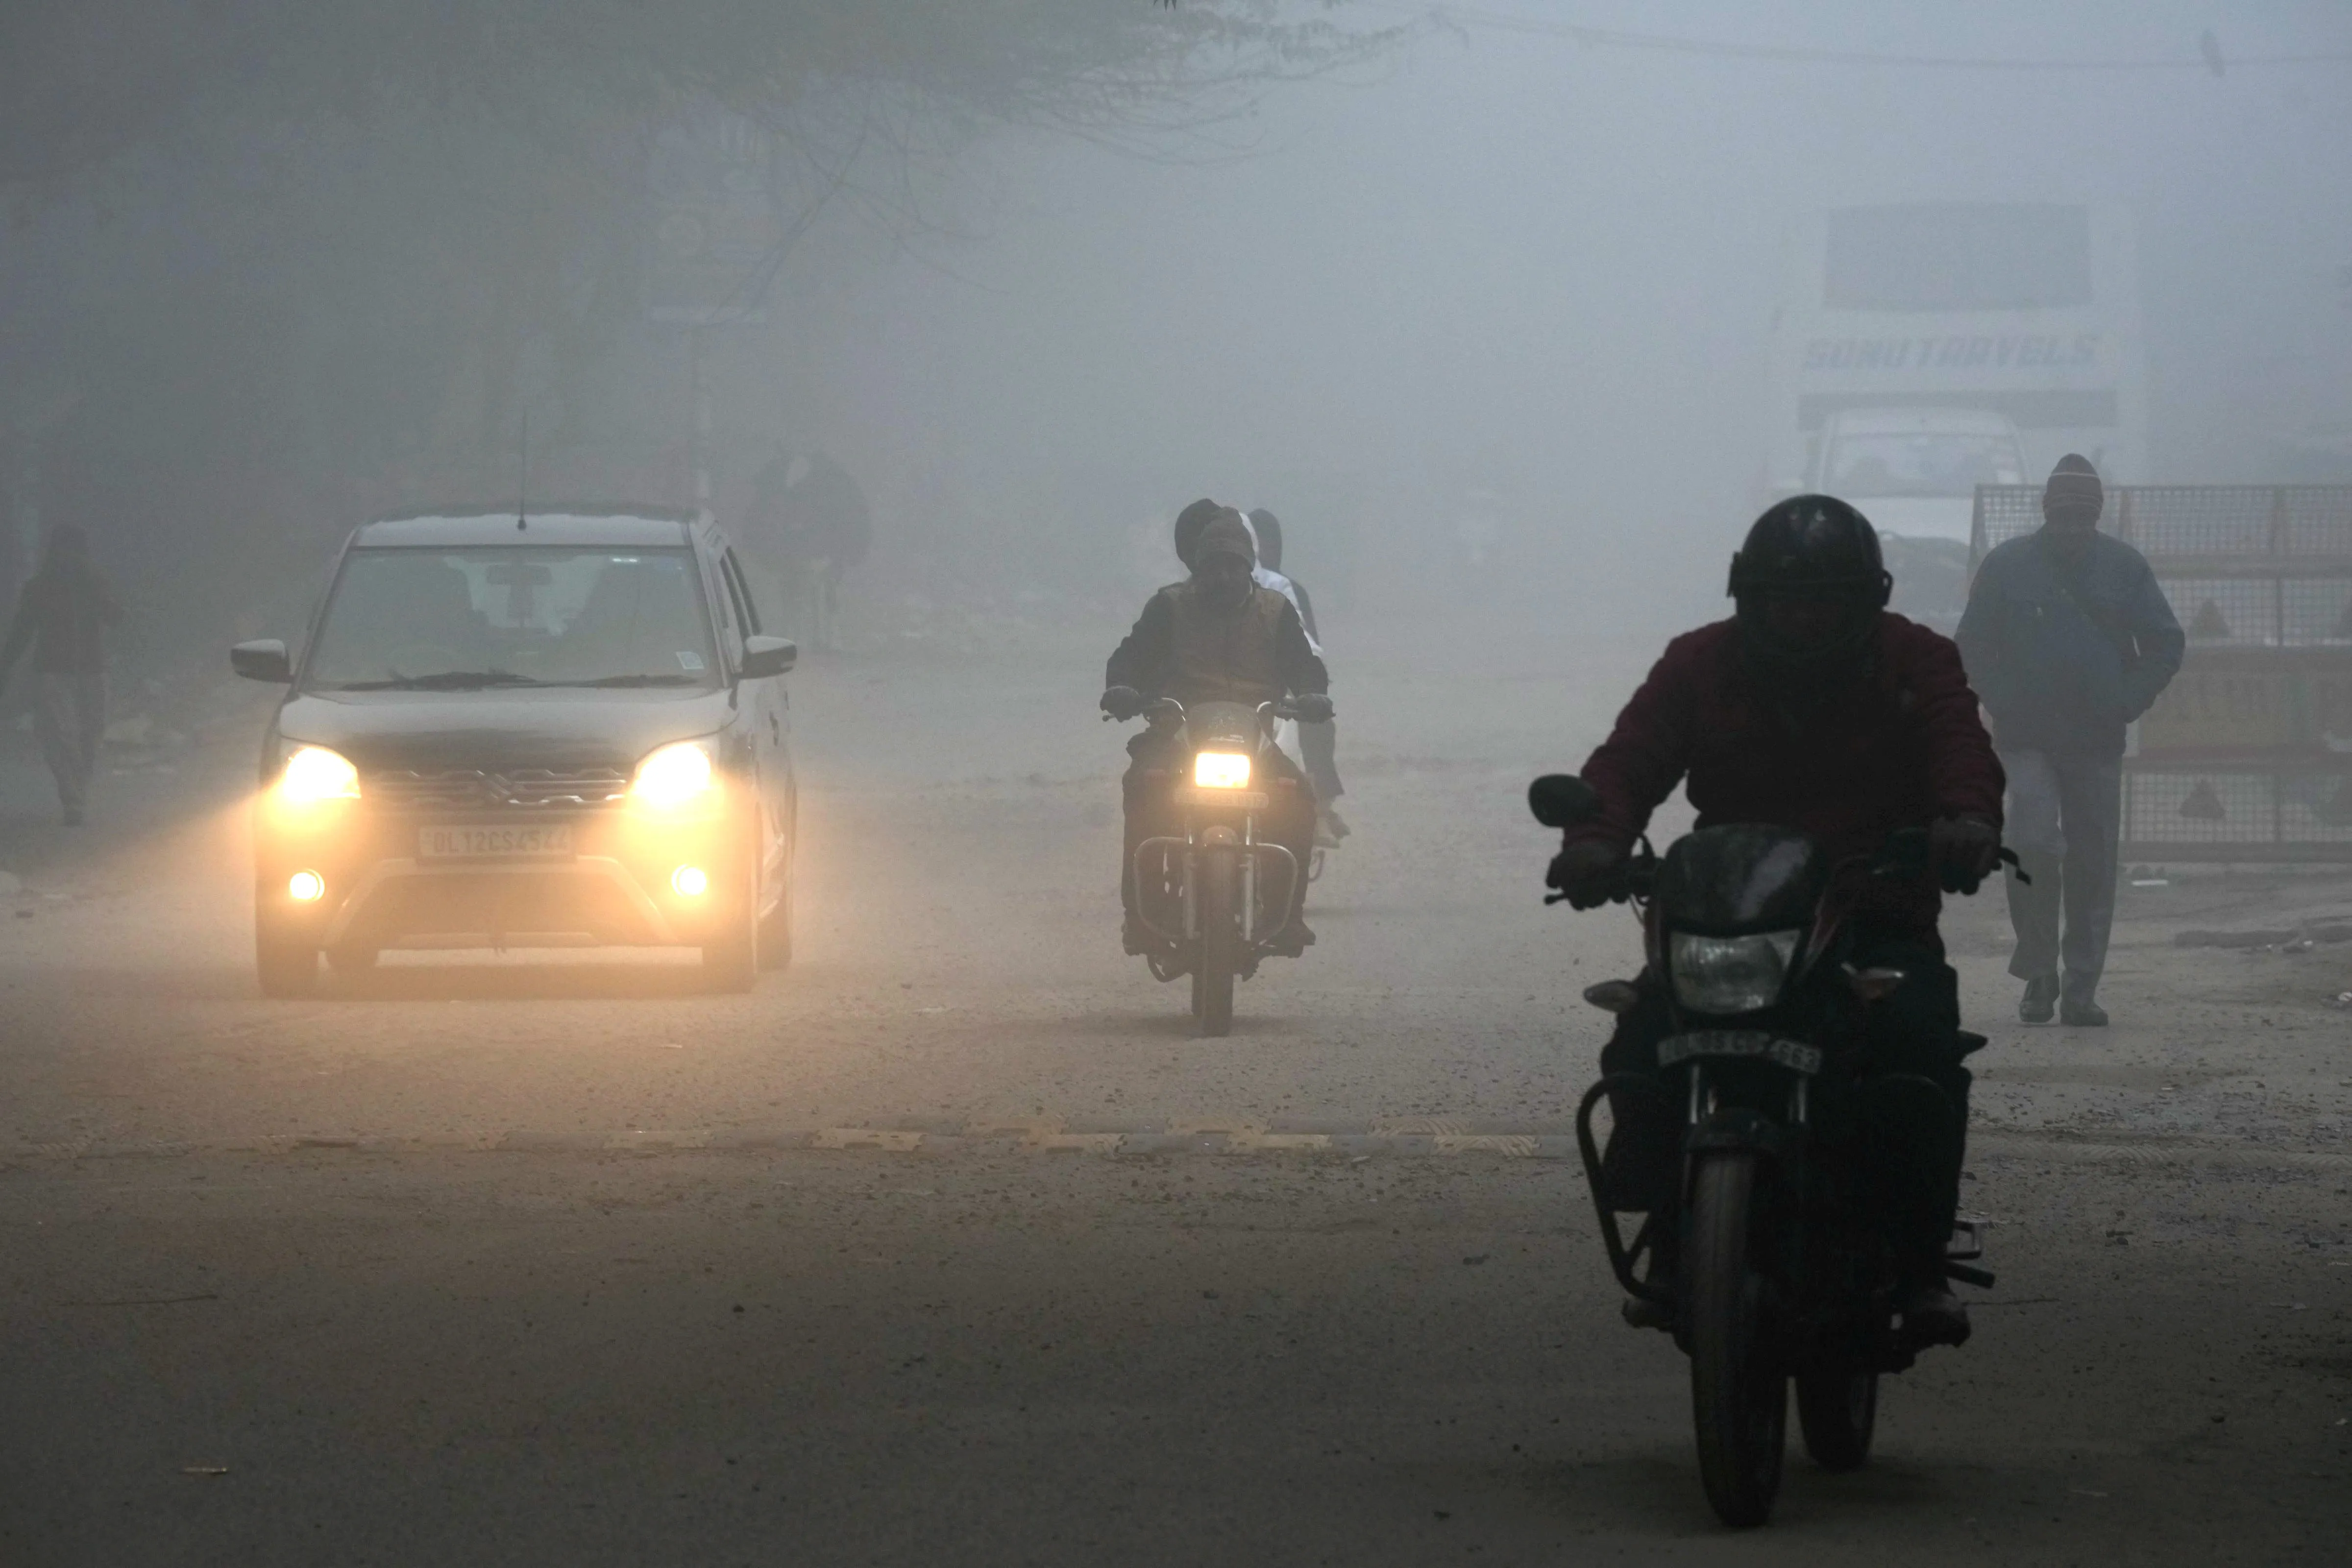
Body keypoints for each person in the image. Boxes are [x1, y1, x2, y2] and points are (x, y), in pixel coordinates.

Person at [1546, 495, 2005, 1344]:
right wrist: (1595, 840)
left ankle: (1916, 1259)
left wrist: (1967, 821)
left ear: (1865, 600)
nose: (1803, 616)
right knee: (1644, 1033)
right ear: (1747, 598)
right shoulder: (1697, 664)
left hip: (1873, 907)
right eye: (1784, 598)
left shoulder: (1917, 658)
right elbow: (1628, 759)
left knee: (1919, 1043)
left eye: (1825, 599)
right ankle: (1671, 1231)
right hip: (1727, 911)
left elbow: (1961, 747)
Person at [1955, 455, 2182, 1027]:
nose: (2072, 529)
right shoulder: (2007, 567)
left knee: (2093, 861)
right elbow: (1973, 644)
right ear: (2047, 514)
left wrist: (2127, 702)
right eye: (2064, 517)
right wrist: (2004, 699)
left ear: (2097, 518)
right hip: (2026, 737)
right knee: (2030, 839)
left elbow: (2164, 643)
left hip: (2097, 739)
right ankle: (2039, 970)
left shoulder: (2125, 569)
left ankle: (2081, 987)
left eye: (2083, 518)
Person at [1104, 507, 1330, 956]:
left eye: (1234, 565)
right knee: (1143, 791)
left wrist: (1313, 694)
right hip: (1177, 731)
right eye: (1214, 565)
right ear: (1198, 567)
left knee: (1299, 799)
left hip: (1255, 734)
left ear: (1249, 566)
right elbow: (1130, 655)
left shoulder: (1276, 609)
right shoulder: (1168, 606)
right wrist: (1121, 688)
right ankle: (1139, 917)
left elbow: (1305, 665)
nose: (1224, 576)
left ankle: (1288, 916)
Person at [0, 524, 120, 826]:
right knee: (60, 736)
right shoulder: (40, 587)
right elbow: (23, 629)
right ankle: (73, 800)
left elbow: (116, 617)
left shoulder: (95, 582)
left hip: (92, 669)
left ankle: (77, 791)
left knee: (92, 734)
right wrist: (7, 664)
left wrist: (95, 587)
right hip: (52, 672)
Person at [1247, 509, 1349, 846]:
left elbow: (1308, 648)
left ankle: (1319, 806)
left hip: (1277, 687)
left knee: (1316, 720)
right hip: (1223, 688)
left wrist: (1309, 683)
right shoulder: (1199, 590)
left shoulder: (1284, 589)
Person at [743, 445, 871, 650]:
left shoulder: (786, 478)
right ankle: (819, 637)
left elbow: (759, 518)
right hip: (811, 550)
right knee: (814, 588)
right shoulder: (833, 480)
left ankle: (807, 636)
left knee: (803, 589)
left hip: (809, 550)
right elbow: (854, 516)